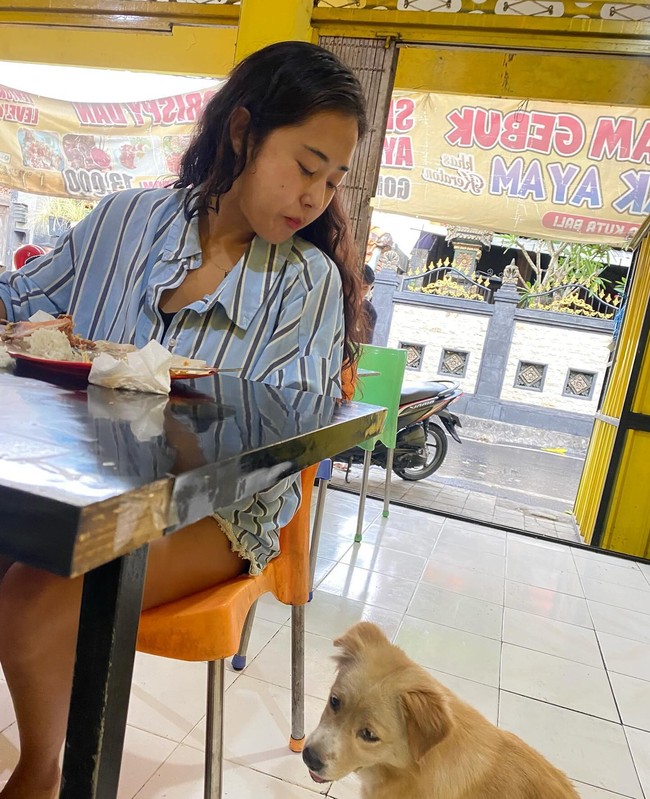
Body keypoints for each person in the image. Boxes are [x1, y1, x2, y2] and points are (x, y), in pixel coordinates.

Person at [0, 40, 366, 799]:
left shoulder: (307, 283)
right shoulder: (125, 219)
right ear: (242, 132)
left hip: (219, 511)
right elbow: (19, 299)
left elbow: (275, 442)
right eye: (305, 166)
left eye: (331, 179)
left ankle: (40, 776)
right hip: (78, 483)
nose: (316, 196)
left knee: (29, 601)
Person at [361, 263, 377, 343]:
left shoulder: (369, 311)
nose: (359, 292)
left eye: (364, 288)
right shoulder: (338, 302)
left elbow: (366, 343)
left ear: (371, 287)